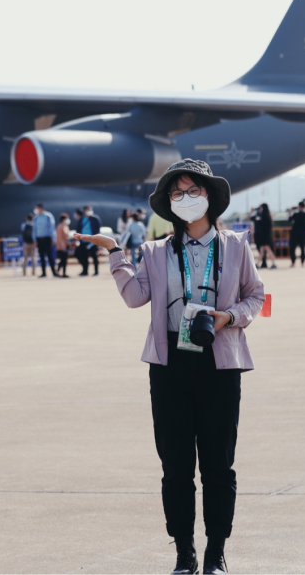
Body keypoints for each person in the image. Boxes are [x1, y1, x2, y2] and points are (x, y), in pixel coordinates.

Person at [75, 159, 265, 575]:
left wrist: (227, 317)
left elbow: (256, 297)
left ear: (209, 197)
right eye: (177, 193)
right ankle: (184, 552)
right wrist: (115, 252)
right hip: (169, 368)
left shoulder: (235, 246)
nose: (185, 199)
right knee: (176, 467)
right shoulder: (155, 251)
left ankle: (216, 553)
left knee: (218, 464)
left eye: (192, 190)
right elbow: (133, 297)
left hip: (219, 363)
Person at [31, 203, 57, 277]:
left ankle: (54, 272)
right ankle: (43, 273)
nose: (35, 210)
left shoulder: (48, 216)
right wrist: (34, 239)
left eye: (37, 208)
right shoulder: (36, 218)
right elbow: (34, 229)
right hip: (39, 239)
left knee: (49, 256)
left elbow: (52, 228)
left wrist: (53, 238)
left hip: (47, 238)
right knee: (41, 256)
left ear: (41, 208)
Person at [249, 203, 276, 269]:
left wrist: (259, 219)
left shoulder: (264, 216)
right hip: (265, 236)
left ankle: (273, 263)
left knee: (267, 250)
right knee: (263, 250)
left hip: (265, 236)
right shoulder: (267, 216)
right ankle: (258, 264)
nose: (260, 209)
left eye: (261, 207)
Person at [77, 205, 102, 276]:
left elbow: (98, 230)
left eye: (91, 210)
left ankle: (96, 271)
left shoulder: (95, 219)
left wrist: (97, 239)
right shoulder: (81, 219)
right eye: (88, 210)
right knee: (84, 257)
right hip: (83, 241)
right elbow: (78, 229)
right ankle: (85, 271)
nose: (90, 211)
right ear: (84, 211)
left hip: (92, 241)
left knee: (94, 256)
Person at [288, 203, 305, 268]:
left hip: (295, 233)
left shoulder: (296, 214)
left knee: (293, 248)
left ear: (299, 206)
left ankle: (293, 262)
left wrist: (290, 211)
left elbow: (290, 219)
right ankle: (303, 262)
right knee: (302, 248)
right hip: (303, 233)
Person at [56, 213, 72, 277]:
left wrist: (69, 244)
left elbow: (67, 237)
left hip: (66, 245)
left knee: (64, 260)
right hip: (61, 247)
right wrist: (62, 246)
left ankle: (60, 272)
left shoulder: (66, 226)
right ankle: (61, 272)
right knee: (63, 260)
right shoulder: (60, 227)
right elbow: (59, 238)